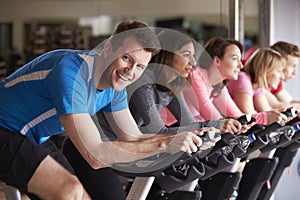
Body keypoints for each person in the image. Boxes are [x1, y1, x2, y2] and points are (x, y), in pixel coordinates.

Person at [0, 21, 208, 200]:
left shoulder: (115, 85)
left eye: (140, 66)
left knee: (81, 194)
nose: (131, 71)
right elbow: (95, 156)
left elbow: (132, 137)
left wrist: (182, 138)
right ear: (108, 49)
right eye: (127, 58)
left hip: (33, 138)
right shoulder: (71, 72)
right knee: (68, 190)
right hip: (5, 129)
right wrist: (164, 143)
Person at [183, 37, 285, 125]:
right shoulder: (195, 76)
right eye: (235, 59)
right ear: (217, 60)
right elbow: (214, 118)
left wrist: (269, 116)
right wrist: (265, 118)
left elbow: (238, 117)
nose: (241, 65)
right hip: (171, 132)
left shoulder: (219, 86)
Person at [226, 47, 289, 123]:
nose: (282, 77)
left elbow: (267, 112)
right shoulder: (242, 79)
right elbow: (249, 118)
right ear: (264, 70)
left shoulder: (257, 86)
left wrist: (282, 117)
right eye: (278, 71)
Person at [265, 41, 300, 111]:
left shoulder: (276, 80)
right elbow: (276, 105)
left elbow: (289, 101)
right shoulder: (257, 81)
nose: (295, 72)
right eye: (293, 66)